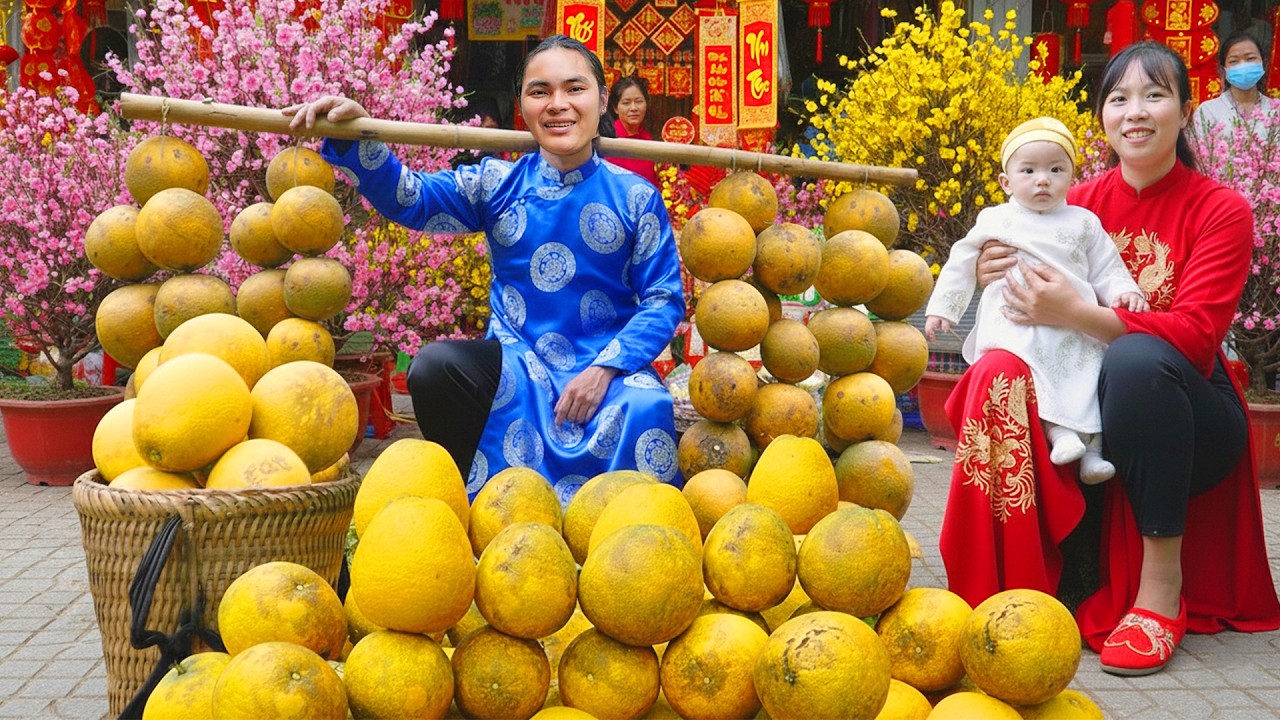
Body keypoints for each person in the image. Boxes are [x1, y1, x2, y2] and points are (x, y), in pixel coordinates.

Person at [939, 41, 1280, 677]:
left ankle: (1159, 592)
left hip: (1189, 410)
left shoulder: (1220, 210)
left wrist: (1078, 314)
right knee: (998, 372)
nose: (1135, 112)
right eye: (1118, 98)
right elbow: (997, 258)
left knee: (1138, 359)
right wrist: (988, 269)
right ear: (1101, 116)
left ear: (1186, 112)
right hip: (1084, 400)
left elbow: (1196, 336)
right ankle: (1004, 583)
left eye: (1155, 95)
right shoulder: (1068, 203)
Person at [284, 35, 686, 502]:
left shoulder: (636, 196)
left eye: (574, 89)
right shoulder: (497, 182)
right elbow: (411, 197)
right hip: (518, 360)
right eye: (540, 92)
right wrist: (354, 136)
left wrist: (606, 369)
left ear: (601, 100)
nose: (558, 105)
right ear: (523, 106)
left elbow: (663, 298)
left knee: (647, 404)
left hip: (608, 364)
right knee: (435, 368)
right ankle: (466, 509)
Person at [924, 117, 1148, 487]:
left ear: (1071, 177)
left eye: (1055, 169)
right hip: (1016, 323)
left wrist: (1125, 292)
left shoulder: (1084, 222)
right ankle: (1059, 434)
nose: (1042, 179)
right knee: (1035, 373)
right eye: (1029, 170)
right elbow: (961, 261)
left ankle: (1093, 451)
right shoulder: (997, 219)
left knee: (1089, 373)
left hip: (1072, 325)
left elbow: (1107, 267)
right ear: (1005, 181)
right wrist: (943, 308)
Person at [1192, 31, 1275, 140]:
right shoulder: (1208, 111)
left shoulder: (1276, 109)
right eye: (1234, 61)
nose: (1243, 65)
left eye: (1250, 58)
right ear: (1223, 69)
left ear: (1263, 63)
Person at [604, 77, 659, 186]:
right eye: (626, 103)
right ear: (615, 108)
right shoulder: (607, 138)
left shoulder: (648, 139)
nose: (633, 108)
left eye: (639, 102)